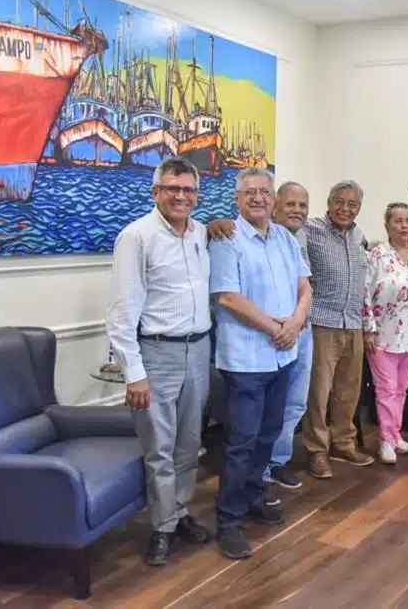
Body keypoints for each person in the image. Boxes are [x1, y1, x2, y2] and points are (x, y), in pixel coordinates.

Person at [105, 157, 213, 566]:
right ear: (155, 192)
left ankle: (179, 512)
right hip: (156, 353)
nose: (181, 196)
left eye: (188, 190)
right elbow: (122, 312)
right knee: (159, 448)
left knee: (190, 444)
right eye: (172, 188)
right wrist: (135, 374)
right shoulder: (136, 237)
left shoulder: (201, 232)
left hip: (198, 350)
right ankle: (162, 527)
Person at [209, 168, 312, 559]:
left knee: (269, 434)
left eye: (264, 192)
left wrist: (298, 321)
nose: (257, 198)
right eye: (249, 192)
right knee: (242, 442)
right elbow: (229, 298)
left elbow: (305, 286)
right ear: (238, 199)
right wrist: (276, 328)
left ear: (273, 199)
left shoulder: (286, 238)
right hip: (247, 360)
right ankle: (228, 520)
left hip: (283, 355)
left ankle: (253, 496)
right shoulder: (226, 238)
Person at [301, 181, 376, 477]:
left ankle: (343, 443)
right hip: (322, 322)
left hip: (353, 323)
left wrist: (367, 325)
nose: (345, 208)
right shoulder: (310, 230)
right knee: (318, 392)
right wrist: (221, 223)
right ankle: (317, 450)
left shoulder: (359, 236)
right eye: (340, 202)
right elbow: (277, 223)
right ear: (329, 202)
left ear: (359, 208)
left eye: (352, 204)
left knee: (348, 390)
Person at [363, 203, 408, 465]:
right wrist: (367, 328)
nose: (404, 226)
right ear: (388, 226)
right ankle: (385, 440)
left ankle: (395, 433)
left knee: (402, 389)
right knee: (386, 389)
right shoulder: (378, 255)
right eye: (398, 221)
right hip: (383, 334)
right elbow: (364, 293)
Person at [265, 181, 314, 490]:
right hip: (271, 333)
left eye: (302, 206)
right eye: (291, 204)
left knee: (296, 403)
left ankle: (277, 461)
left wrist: (299, 320)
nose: (297, 210)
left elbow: (304, 287)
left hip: (303, 330)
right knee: (270, 405)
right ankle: (261, 469)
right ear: (275, 205)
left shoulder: (301, 238)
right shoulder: (253, 235)